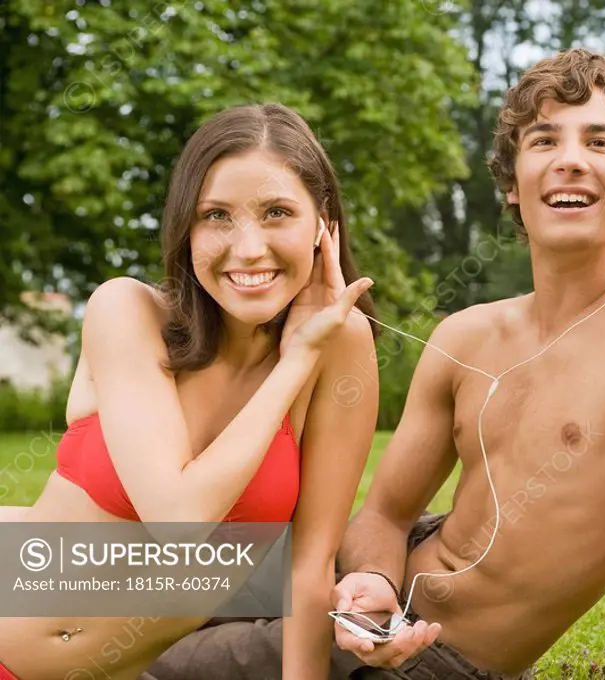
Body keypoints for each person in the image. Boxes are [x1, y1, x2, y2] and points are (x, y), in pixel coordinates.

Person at [146, 48, 605, 680]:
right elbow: (388, 514)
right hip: (354, 595)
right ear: (512, 185)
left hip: (429, 657)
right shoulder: (466, 336)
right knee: (71, 578)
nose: (569, 161)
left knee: (131, 658)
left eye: (598, 142)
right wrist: (370, 582)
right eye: (543, 142)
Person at [0, 103, 379, 680]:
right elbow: (178, 519)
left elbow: (311, 567)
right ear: (186, 226)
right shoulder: (127, 310)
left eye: (277, 212)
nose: (248, 247)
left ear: (324, 224)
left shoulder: (343, 344)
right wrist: (293, 361)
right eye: (217, 215)